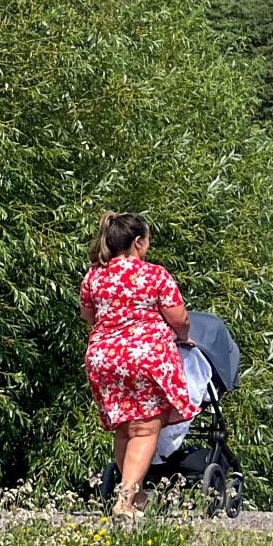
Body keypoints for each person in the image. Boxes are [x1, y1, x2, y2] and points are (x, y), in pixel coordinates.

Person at [81, 212, 197, 519]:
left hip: (103, 358)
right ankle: (126, 498)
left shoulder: (94, 276)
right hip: (145, 358)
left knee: (124, 428)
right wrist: (184, 338)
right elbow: (179, 319)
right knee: (145, 429)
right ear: (137, 242)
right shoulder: (155, 275)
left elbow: (89, 317)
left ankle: (136, 495)